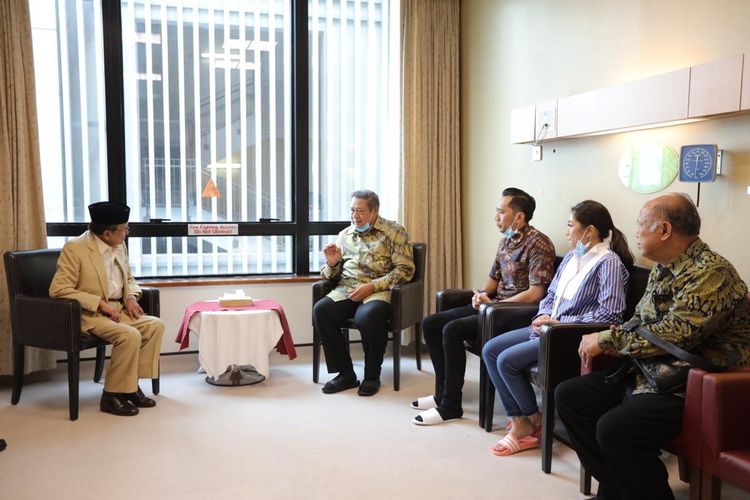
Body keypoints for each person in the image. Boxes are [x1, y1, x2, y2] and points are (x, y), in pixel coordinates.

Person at [556, 193, 750, 500]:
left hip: (694, 383)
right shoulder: (664, 266)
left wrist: (608, 340)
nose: (635, 232)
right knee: (570, 396)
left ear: (664, 230)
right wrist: (615, 340)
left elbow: (677, 334)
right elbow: (640, 320)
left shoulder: (712, 271)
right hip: (653, 371)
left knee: (615, 428)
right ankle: (618, 489)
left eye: (640, 225)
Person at [481, 200, 632, 455]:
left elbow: (610, 314)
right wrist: (543, 315)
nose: (567, 231)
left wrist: (561, 324)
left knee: (506, 361)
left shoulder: (609, 263)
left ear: (590, 230)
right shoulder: (573, 257)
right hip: (550, 329)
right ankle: (527, 419)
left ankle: (524, 424)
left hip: (569, 337)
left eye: (571, 225)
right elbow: (549, 295)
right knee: (490, 349)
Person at [412, 187, 556, 425]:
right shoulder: (505, 242)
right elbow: (493, 280)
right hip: (494, 306)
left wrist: (494, 307)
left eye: (501, 212)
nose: (496, 216)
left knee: (453, 330)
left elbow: (535, 293)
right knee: (431, 324)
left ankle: (451, 405)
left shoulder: (539, 244)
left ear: (519, 217)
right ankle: (441, 394)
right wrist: (480, 295)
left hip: (514, 314)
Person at [49, 202, 164, 417]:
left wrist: (130, 296)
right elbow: (59, 289)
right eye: (124, 229)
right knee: (129, 334)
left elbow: (129, 278)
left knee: (154, 325)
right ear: (107, 232)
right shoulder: (75, 248)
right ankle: (111, 396)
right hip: (90, 314)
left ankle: (130, 387)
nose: (127, 233)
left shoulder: (120, 245)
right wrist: (99, 303)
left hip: (118, 308)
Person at [313, 190, 415, 397]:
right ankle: (346, 373)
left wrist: (373, 286)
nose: (355, 216)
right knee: (322, 310)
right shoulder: (345, 235)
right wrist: (332, 263)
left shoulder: (394, 232)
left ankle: (371, 376)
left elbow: (405, 270)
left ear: (374, 210)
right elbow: (330, 275)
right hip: (347, 288)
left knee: (368, 317)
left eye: (360, 211)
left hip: (378, 290)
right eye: (352, 210)